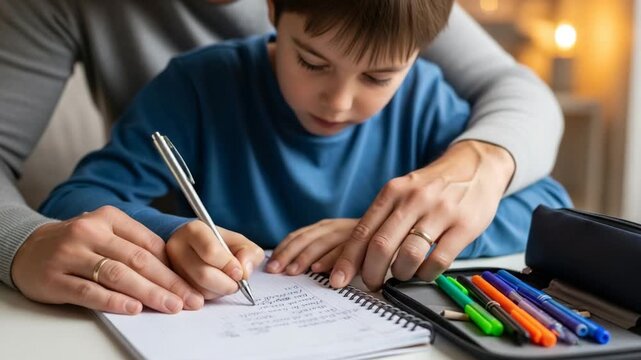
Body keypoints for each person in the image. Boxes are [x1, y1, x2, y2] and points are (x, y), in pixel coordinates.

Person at [0, 0, 565, 314]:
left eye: (377, 76)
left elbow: (545, 210)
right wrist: (171, 231)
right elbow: (75, 199)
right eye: (312, 63)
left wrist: (393, 234)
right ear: (273, 11)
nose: (340, 102)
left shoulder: (425, 98)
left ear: (418, 54)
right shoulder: (199, 85)